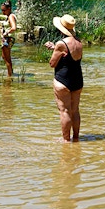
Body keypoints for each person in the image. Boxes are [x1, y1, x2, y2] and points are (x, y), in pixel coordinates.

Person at [45, 14, 83, 142]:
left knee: (64, 111)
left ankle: (66, 141)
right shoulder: (79, 42)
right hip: (77, 79)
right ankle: (76, 138)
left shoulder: (61, 44)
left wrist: (55, 48)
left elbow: (52, 63)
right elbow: (69, 55)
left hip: (63, 80)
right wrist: (54, 48)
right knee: (75, 110)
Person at [0, 0, 17, 77]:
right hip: (6, 38)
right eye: (2, 10)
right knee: (4, 57)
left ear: (9, 8)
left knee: (7, 59)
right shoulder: (8, 16)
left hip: (8, 38)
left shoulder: (11, 16)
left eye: (4, 10)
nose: (2, 12)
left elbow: (14, 28)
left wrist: (6, 32)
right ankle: (10, 72)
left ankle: (9, 76)